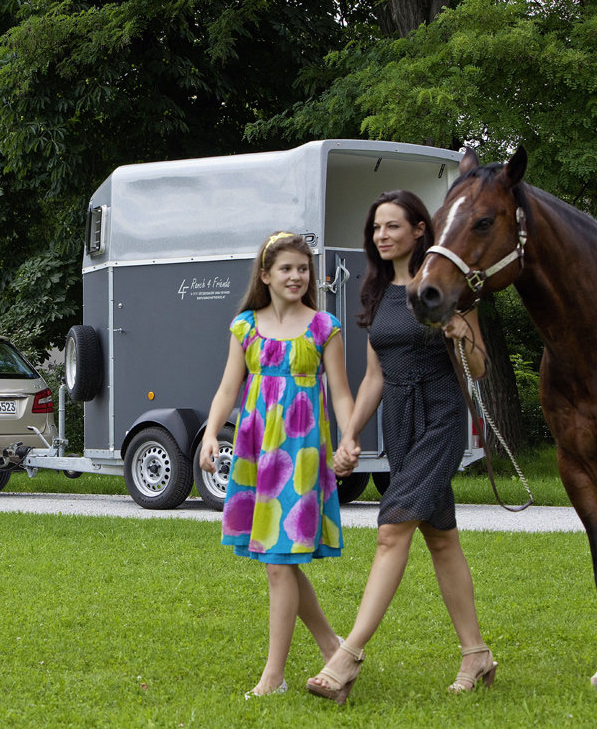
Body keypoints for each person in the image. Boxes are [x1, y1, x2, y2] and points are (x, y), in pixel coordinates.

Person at [306, 191, 493, 704]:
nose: (381, 236)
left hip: (442, 418)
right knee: (441, 539)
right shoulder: (379, 291)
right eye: (375, 229)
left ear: (418, 229)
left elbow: (480, 369)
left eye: (391, 226)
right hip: (401, 425)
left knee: (391, 529)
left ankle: (348, 658)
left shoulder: (449, 288)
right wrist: (350, 436)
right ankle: (476, 654)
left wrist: (460, 331)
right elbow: (373, 377)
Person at [197, 231, 355, 699]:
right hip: (256, 452)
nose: (296, 276)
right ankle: (333, 647)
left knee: (278, 562)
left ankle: (274, 676)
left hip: (302, 452)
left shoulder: (324, 326)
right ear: (265, 275)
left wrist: (349, 437)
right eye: (286, 268)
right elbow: (229, 388)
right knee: (276, 560)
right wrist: (210, 432)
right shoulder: (245, 327)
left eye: (302, 269)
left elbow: (342, 391)